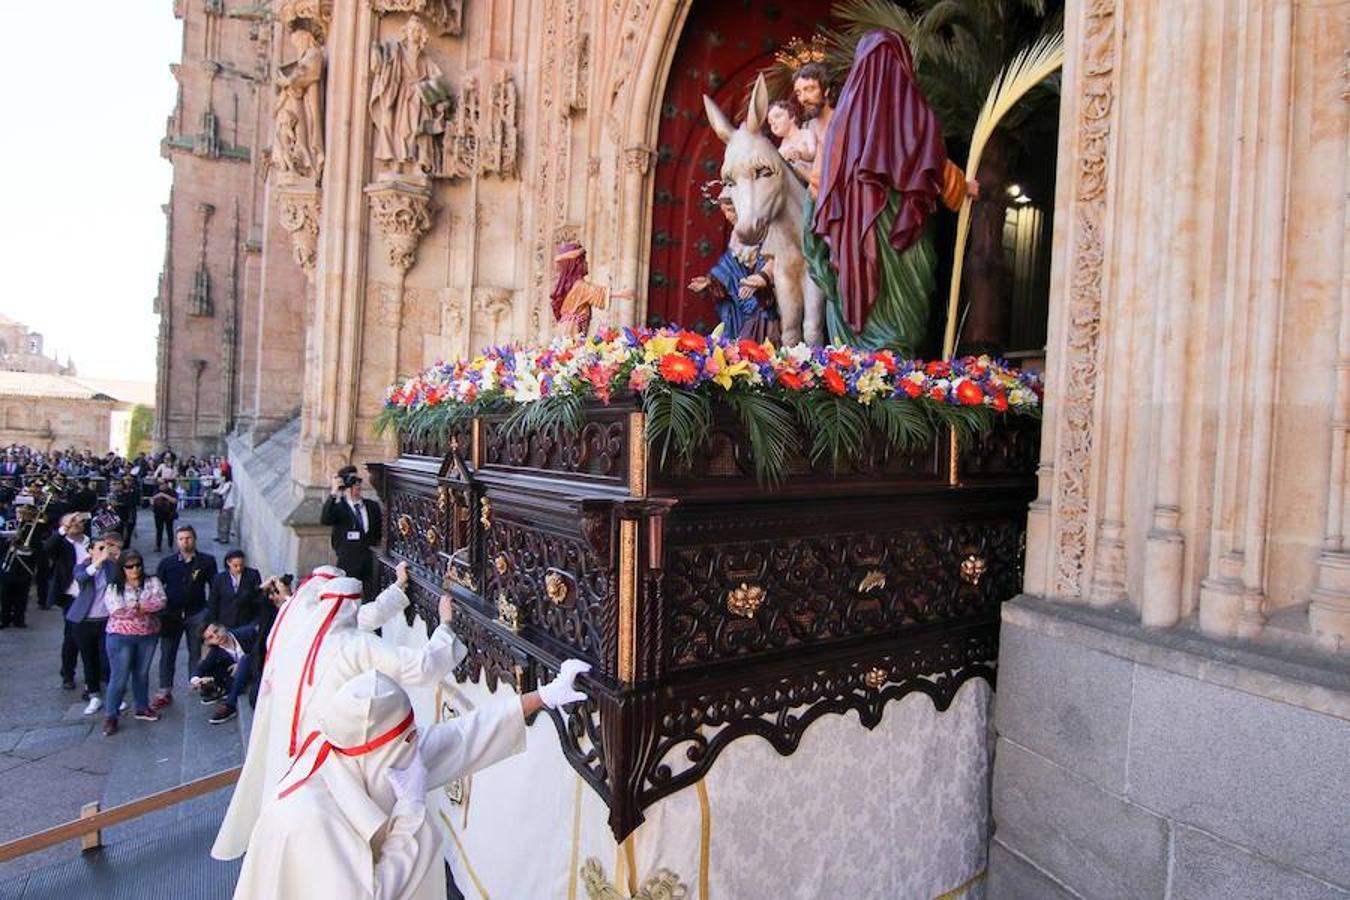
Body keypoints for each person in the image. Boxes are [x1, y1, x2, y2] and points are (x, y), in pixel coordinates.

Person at [232, 662, 589, 899]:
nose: (414, 745)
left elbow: (457, 738)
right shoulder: (310, 815)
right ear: (381, 749)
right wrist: (411, 815)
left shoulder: (357, 755)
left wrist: (542, 697)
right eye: (407, 739)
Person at [212, 569, 442, 862]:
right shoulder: (349, 639)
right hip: (323, 735)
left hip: (289, 724)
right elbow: (376, 632)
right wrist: (445, 627)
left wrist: (397, 590)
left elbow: (354, 618)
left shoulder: (308, 618)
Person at [153, 525, 218, 709]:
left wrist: (211, 614)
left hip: (196, 612)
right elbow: (157, 587)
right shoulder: (167, 563)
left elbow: (214, 587)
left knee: (195, 651)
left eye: (188, 538)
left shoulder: (207, 561)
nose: (185, 542)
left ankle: (196, 682)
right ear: (176, 541)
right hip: (172, 614)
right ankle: (165, 689)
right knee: (167, 653)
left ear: (194, 539)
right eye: (181, 539)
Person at [102, 550, 165, 736]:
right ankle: (111, 715)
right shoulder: (115, 587)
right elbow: (116, 610)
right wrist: (143, 608)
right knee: (119, 676)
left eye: (137, 565)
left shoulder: (152, 581)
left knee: (142, 672)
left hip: (148, 634)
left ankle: (142, 706)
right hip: (120, 635)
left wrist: (140, 608)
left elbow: (161, 601)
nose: (134, 569)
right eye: (129, 566)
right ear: (122, 568)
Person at [68, 534, 121, 716]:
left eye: (105, 548)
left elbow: (120, 581)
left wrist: (115, 556)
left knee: (108, 659)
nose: (103, 551)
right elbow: (81, 579)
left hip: (106, 620)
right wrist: (97, 563)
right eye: (100, 548)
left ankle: (114, 694)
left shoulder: (111, 567)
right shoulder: (82, 566)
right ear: (90, 551)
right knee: (88, 659)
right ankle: (94, 695)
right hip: (84, 621)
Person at [45, 511, 90, 690]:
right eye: (73, 522)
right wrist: (63, 528)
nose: (79, 524)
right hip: (73, 597)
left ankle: (95, 674)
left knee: (94, 638)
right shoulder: (62, 544)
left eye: (80, 522)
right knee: (71, 637)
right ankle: (68, 674)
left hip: (93, 596)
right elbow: (48, 548)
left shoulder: (90, 541)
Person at [319, 467, 382, 592]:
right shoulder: (339, 508)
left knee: (370, 598)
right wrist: (334, 492)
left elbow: (378, 532)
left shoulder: (372, 506)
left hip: (369, 563)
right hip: (347, 562)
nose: (357, 485)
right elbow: (325, 520)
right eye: (353, 481)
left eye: (359, 481)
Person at [192, 622, 259, 725]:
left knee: (245, 659)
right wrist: (196, 680)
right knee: (213, 668)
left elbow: (262, 648)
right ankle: (217, 689)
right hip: (242, 677)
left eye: (216, 631)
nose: (217, 636)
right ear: (208, 642)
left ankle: (230, 705)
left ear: (222, 627)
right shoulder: (216, 652)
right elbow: (201, 668)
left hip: (259, 667)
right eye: (211, 637)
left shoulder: (247, 632)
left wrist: (240, 663)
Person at [767, 98, 816, 183]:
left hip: (814, 180)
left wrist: (801, 154)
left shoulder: (806, 133)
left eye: (777, 116)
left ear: (792, 117)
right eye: (770, 122)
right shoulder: (780, 150)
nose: (774, 122)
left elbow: (813, 154)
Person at [209, 549, 262, 628]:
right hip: (226, 622)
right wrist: (214, 622)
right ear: (228, 563)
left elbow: (258, 597)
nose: (239, 568)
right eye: (235, 565)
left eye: (241, 565)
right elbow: (213, 601)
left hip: (246, 621)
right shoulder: (219, 579)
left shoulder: (252, 575)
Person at [150, 480, 179, 552]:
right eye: (160, 485)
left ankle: (170, 545)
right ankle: (158, 546)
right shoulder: (156, 491)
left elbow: (174, 500)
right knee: (159, 530)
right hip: (158, 513)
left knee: (169, 529)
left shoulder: (172, 491)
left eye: (162, 484)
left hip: (169, 513)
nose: (161, 486)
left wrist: (163, 495)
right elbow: (152, 500)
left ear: (166, 484)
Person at [213, 472, 238, 544]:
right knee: (221, 522)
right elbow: (219, 490)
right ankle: (220, 536)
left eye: (222, 477)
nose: (220, 478)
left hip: (228, 505)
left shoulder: (229, 484)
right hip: (224, 505)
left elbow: (221, 492)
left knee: (225, 523)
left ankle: (224, 538)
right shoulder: (224, 484)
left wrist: (217, 489)